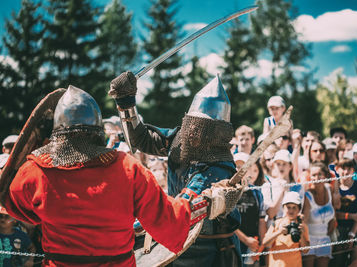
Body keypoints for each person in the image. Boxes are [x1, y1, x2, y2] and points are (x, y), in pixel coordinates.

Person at [0, 85, 240, 267]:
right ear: (98, 131)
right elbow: (169, 218)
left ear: (58, 133)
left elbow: (18, 208)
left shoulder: (36, 171)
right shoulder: (128, 169)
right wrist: (209, 202)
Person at [108, 72, 243, 266]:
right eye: (192, 124)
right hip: (175, 239)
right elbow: (141, 139)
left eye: (201, 127)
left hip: (210, 252)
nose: (193, 132)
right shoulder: (180, 139)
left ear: (216, 131)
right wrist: (126, 102)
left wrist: (132, 228)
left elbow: (179, 210)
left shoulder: (220, 167)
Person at [233, 156, 266, 267]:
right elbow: (227, 221)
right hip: (232, 244)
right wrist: (245, 239)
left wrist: (261, 245)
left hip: (252, 244)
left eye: (244, 166)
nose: (240, 170)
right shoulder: (229, 191)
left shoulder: (257, 192)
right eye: (237, 166)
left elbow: (261, 221)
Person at [302, 162, 337, 267]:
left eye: (320, 174)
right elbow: (304, 221)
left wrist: (329, 235)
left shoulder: (329, 189)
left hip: (325, 238)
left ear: (326, 176)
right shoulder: (307, 195)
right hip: (310, 240)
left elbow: (333, 216)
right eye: (313, 175)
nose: (316, 178)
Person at [333, 159, 357, 266]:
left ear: (353, 171)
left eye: (349, 169)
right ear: (337, 170)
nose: (346, 172)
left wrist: (352, 234)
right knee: (338, 261)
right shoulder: (335, 187)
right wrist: (351, 216)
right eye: (343, 168)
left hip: (356, 228)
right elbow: (334, 214)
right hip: (339, 228)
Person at [262, 191, 310, 267]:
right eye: (288, 207)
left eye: (294, 207)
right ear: (283, 208)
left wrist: (301, 235)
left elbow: (306, 250)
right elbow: (265, 243)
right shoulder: (277, 223)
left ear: (299, 209)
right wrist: (279, 232)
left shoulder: (302, 226)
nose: (291, 210)